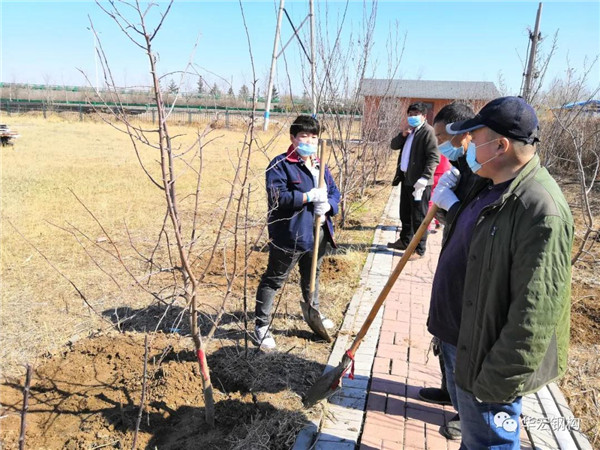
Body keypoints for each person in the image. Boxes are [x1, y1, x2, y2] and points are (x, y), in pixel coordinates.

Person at [428, 96, 574, 449]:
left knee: (488, 443)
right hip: (463, 336)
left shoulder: (540, 210)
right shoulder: (489, 183)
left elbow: (536, 311)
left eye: (474, 139)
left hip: (488, 359)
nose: (468, 148)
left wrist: (497, 379)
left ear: (500, 145)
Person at [417, 102, 478, 441]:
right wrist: (444, 208)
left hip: (469, 270)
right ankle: (447, 389)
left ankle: (463, 413)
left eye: (441, 137)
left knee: (457, 340)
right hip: (451, 260)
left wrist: (452, 206)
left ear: (462, 133)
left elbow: (477, 222)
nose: (438, 144)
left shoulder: (482, 169)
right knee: (442, 333)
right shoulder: (462, 166)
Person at [254, 115, 341, 350]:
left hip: (319, 232)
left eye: (314, 137)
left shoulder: (320, 164)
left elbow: (334, 192)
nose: (309, 141)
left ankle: (313, 311)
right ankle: (261, 325)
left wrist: (329, 205)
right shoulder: (280, 165)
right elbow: (277, 197)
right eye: (304, 136)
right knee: (274, 278)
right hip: (291, 234)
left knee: (312, 275)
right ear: (293, 138)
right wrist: (308, 197)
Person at [387, 102, 440, 258]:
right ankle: (405, 241)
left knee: (419, 217)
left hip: (421, 184)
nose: (412, 117)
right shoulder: (410, 132)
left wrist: (425, 178)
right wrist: (402, 135)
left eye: (416, 114)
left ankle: (419, 249)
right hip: (407, 179)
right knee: (405, 213)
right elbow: (393, 146)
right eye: (410, 114)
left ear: (424, 116)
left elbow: (434, 157)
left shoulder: (428, 132)